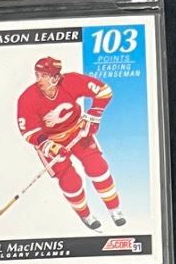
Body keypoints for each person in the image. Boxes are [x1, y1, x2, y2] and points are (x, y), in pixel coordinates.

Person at [17, 53, 125, 233]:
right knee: (70, 181)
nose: (39, 79)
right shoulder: (27, 98)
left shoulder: (71, 81)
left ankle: (114, 209)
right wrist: (49, 146)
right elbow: (28, 131)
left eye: (44, 75)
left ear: (55, 77)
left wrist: (94, 114)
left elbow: (104, 90)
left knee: (98, 167)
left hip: (77, 132)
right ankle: (85, 215)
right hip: (51, 141)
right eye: (37, 75)